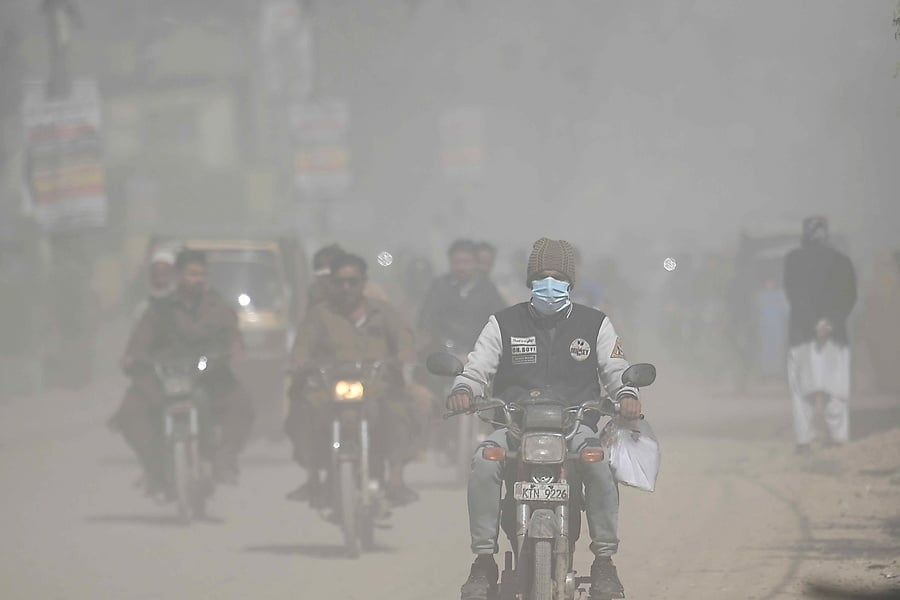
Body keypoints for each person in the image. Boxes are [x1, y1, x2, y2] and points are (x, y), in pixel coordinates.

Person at [447, 238, 642, 600]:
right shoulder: (502, 323)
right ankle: (483, 562)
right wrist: (464, 389)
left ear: (570, 282)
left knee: (599, 464)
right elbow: (477, 368)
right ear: (529, 282)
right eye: (541, 277)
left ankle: (604, 563)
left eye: (556, 277)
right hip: (514, 427)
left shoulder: (595, 324)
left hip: (576, 427)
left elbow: (617, 370)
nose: (548, 284)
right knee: (484, 462)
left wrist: (627, 395)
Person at [286, 253, 420, 506]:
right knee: (303, 412)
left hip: (378, 386)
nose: (346, 288)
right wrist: (299, 363)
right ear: (331, 284)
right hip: (329, 388)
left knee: (401, 413)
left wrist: (405, 356)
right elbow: (301, 348)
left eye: (353, 281)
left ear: (364, 282)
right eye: (339, 282)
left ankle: (395, 480)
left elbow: (405, 342)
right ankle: (313, 477)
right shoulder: (319, 315)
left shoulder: (385, 312)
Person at [114, 250, 255, 492]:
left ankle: (224, 461)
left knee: (242, 405)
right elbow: (140, 340)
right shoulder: (159, 309)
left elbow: (232, 334)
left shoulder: (217, 305)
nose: (198, 279)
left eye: (202, 274)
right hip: (167, 378)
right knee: (130, 413)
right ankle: (155, 469)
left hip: (209, 374)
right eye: (192, 274)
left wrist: (234, 349)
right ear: (178, 276)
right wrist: (133, 358)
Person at [784, 217, 856, 452]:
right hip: (835, 336)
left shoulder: (793, 260)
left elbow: (794, 294)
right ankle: (838, 438)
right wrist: (829, 323)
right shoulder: (842, 262)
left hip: (802, 335)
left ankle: (804, 440)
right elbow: (849, 296)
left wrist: (815, 325)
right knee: (836, 389)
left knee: (802, 391)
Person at [418, 239, 506, 355]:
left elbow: (499, 322)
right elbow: (426, 319)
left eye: (466, 262)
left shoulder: (488, 289)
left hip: (478, 352)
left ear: (476, 263)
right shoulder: (439, 286)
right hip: (442, 351)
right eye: (457, 262)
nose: (461, 267)